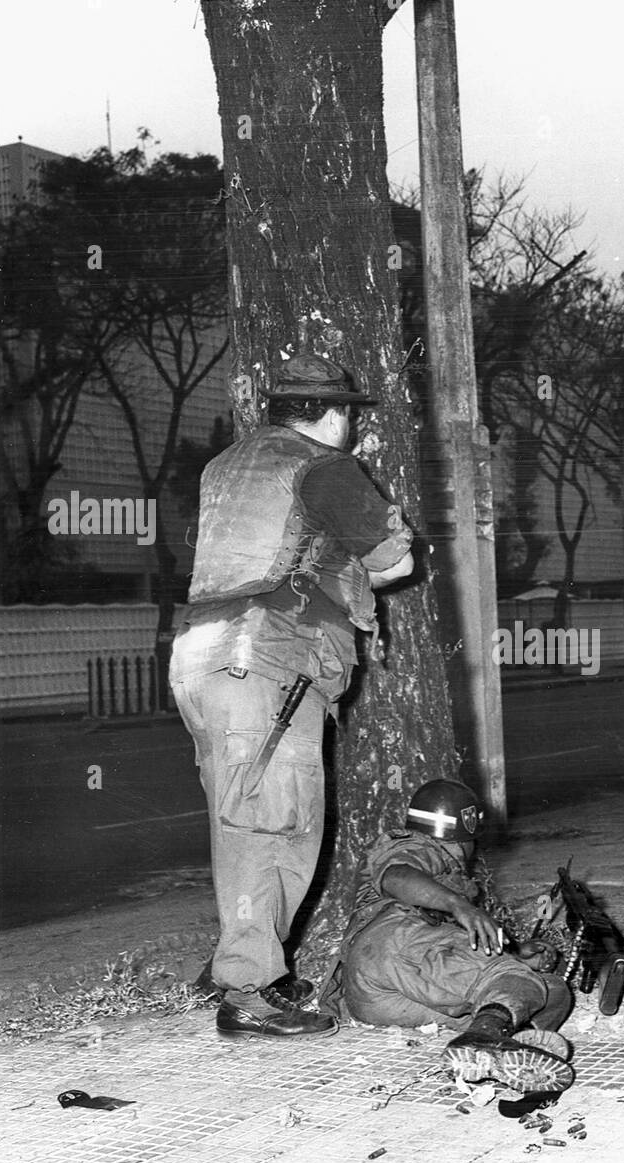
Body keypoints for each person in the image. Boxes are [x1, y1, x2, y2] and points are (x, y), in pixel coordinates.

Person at [170, 352, 414, 1040]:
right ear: (334, 415)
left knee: (244, 814)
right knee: (276, 825)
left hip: (203, 655)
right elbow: (396, 564)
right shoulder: (325, 467)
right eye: (350, 415)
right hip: (267, 658)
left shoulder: (225, 466)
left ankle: (250, 967)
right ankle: (247, 991)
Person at [321, 778, 576, 1095]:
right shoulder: (416, 846)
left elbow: (452, 953)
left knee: (551, 991)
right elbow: (396, 876)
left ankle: (505, 1043)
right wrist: (459, 906)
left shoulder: (447, 875)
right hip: (395, 945)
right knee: (507, 975)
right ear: (464, 836)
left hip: (384, 997)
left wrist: (514, 949)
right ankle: (486, 1038)